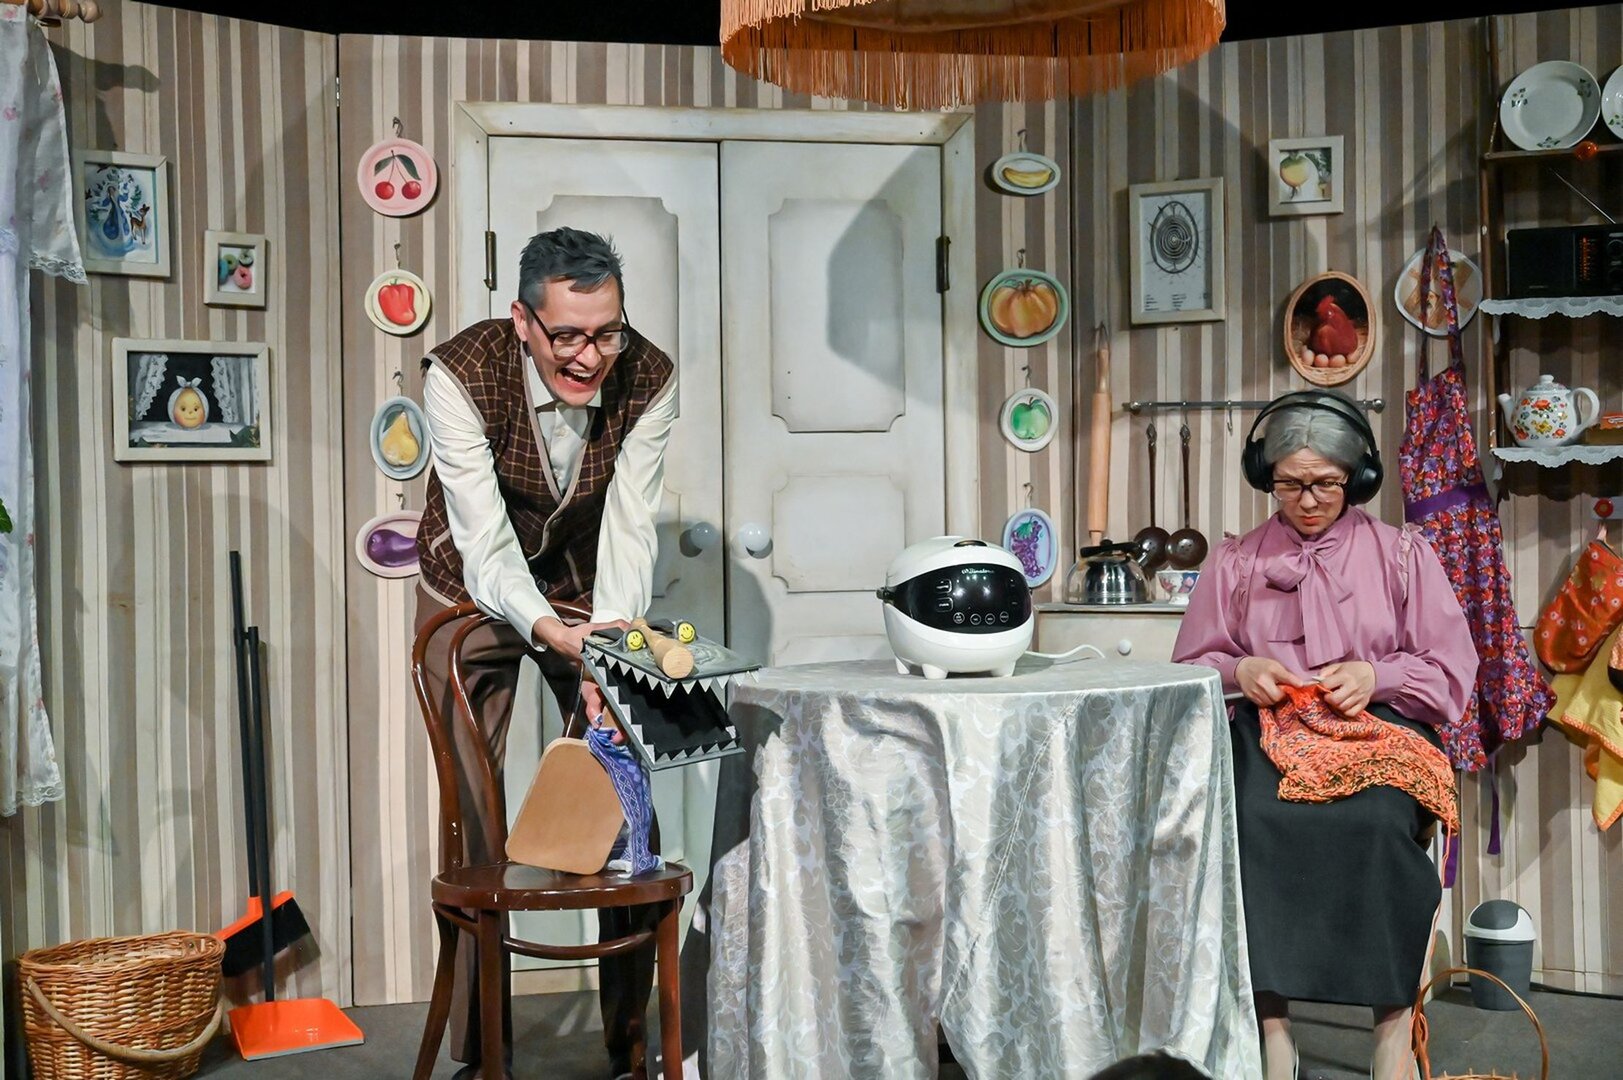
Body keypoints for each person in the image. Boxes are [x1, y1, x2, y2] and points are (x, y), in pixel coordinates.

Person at [413, 226, 677, 1077]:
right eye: (566, 335)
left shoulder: (651, 376)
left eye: (606, 333)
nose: (589, 357)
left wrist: (608, 646)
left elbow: (631, 528)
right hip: (469, 586)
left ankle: (627, 1047)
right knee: (475, 815)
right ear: (522, 321)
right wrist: (539, 624)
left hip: (589, 591)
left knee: (621, 796)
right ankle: (482, 1050)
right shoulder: (459, 374)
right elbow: (485, 542)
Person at [1171, 390, 1477, 1080]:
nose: (1307, 501)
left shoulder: (1402, 555)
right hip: (1269, 729)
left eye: (1325, 484)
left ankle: (1390, 1031)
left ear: (1357, 478)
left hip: (1378, 727)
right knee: (1250, 821)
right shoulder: (1237, 562)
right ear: (1265, 476)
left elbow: (1450, 668)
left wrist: (1377, 675)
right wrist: (1241, 668)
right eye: (1289, 484)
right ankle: (1272, 1028)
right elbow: (1189, 664)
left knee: (1376, 824)